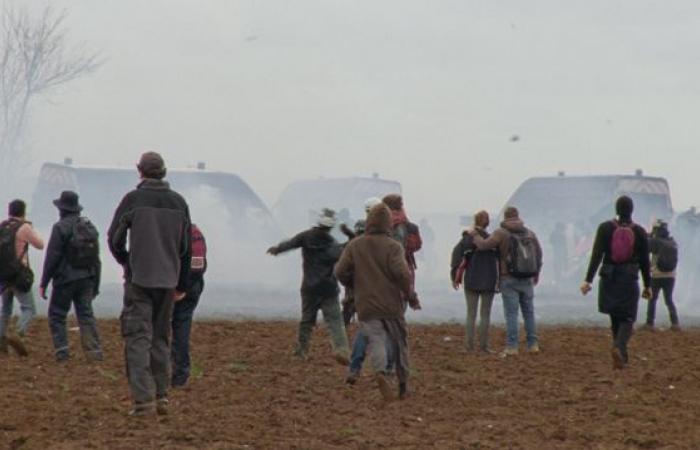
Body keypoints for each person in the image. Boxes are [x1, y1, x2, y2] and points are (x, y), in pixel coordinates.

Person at [108, 152, 191, 416]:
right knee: (160, 338)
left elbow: (114, 239)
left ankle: (143, 402)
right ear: (164, 171)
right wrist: (181, 283)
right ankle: (162, 396)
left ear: (139, 171)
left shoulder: (132, 200)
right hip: (168, 282)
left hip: (139, 280)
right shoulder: (179, 202)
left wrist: (126, 263)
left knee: (137, 338)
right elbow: (186, 248)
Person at [335, 203, 420, 401]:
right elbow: (402, 274)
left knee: (376, 338)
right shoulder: (393, 247)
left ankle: (380, 372)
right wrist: (410, 296)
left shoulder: (355, 245)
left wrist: (353, 284)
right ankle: (402, 385)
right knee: (399, 343)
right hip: (391, 303)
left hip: (365, 303)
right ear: (388, 224)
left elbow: (340, 272)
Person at [267, 208, 350, 364]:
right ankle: (341, 350)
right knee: (335, 322)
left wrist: (277, 249)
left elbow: (290, 244)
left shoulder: (306, 237)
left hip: (309, 288)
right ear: (331, 227)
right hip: (329, 289)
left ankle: (301, 352)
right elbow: (341, 255)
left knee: (306, 321)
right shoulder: (333, 245)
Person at [581, 196, 651, 369]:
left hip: (608, 277)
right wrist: (647, 285)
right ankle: (619, 348)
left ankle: (621, 356)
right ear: (631, 210)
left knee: (615, 316)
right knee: (628, 317)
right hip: (629, 277)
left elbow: (596, 255)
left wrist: (588, 280)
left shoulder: (605, 228)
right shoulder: (640, 232)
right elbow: (644, 261)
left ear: (616, 209)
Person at [39, 191, 103, 362]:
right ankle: (94, 352)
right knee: (86, 315)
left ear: (61, 209)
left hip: (65, 279)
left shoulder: (60, 227)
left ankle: (62, 352)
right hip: (87, 278)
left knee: (57, 314)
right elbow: (96, 259)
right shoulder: (90, 227)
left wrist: (44, 282)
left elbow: (52, 257)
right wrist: (96, 283)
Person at [471, 207, 543, 356]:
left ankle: (512, 347)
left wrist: (474, 235)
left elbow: (484, 246)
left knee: (511, 314)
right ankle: (533, 344)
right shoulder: (530, 233)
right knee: (529, 312)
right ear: (517, 216)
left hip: (508, 278)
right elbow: (539, 253)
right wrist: (536, 273)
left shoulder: (501, 233)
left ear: (505, 217)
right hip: (528, 278)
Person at [0, 199, 45, 357]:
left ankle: (1, 339)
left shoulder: (2, 226)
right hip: (19, 275)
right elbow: (40, 244)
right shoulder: (24, 227)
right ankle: (18, 333)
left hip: (3, 275)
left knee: (5, 309)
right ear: (23, 212)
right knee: (29, 308)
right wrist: (29, 228)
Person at [450, 211, 499, 353]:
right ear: (488, 223)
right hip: (489, 280)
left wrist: (454, 276)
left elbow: (456, 256)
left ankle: (468, 346)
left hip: (471, 280)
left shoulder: (467, 239)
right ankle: (484, 347)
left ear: (475, 221)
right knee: (485, 315)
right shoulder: (492, 240)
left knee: (471, 315)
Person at [171, 223, 207, 388]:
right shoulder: (195, 233)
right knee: (182, 329)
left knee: (158, 329)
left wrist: (179, 288)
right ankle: (180, 375)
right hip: (191, 287)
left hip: (169, 287)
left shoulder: (166, 229)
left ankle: (159, 371)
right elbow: (199, 265)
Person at [644, 220, 680, 331]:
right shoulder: (672, 242)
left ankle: (650, 323)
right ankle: (675, 323)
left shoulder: (655, 241)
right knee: (669, 300)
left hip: (657, 275)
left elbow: (645, 246)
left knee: (652, 299)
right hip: (671, 276)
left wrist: (648, 235)